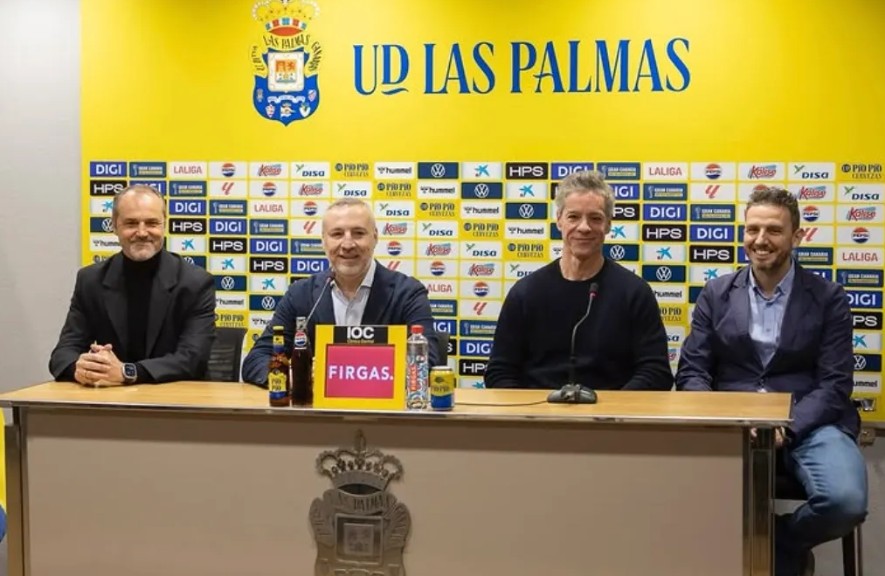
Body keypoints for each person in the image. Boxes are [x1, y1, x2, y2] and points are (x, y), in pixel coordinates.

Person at [676, 186, 867, 576]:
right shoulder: (716, 293)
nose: (760, 240)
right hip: (732, 425)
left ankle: (777, 542)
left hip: (810, 423)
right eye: (753, 229)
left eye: (774, 231)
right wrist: (724, 419)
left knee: (845, 502)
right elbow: (692, 371)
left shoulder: (828, 297)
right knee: (670, 494)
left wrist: (786, 425)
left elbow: (835, 384)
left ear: (797, 236)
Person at [484, 170, 672, 390]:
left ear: (608, 225)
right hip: (538, 409)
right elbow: (500, 372)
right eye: (573, 217)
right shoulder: (525, 292)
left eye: (595, 218)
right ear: (559, 220)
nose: (584, 227)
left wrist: (613, 407)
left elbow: (656, 372)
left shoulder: (634, 292)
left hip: (612, 410)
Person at [242, 198, 440, 386]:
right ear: (324, 241)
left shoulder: (407, 294)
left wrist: (351, 378)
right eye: (337, 234)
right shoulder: (300, 294)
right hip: (316, 410)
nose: (347, 244)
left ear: (375, 237)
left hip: (382, 408)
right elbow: (257, 359)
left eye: (358, 233)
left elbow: (426, 363)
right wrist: (295, 378)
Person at [49, 184, 216, 385]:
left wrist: (127, 372)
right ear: (114, 226)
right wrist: (82, 368)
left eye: (152, 223)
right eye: (131, 223)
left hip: (175, 398)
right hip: (111, 398)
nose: (142, 232)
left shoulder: (195, 283)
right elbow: (63, 353)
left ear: (164, 225)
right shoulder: (90, 280)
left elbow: (193, 359)